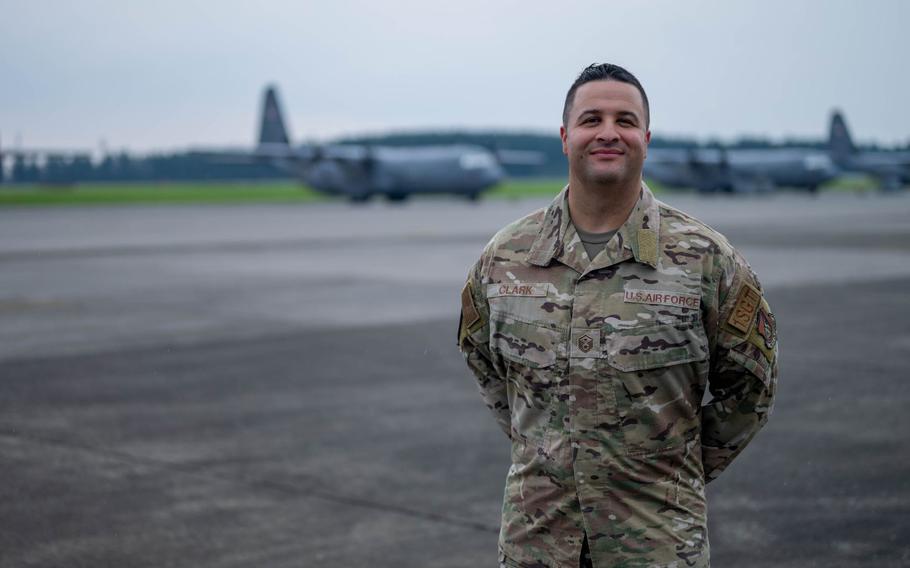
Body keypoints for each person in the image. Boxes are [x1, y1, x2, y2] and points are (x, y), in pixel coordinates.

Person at [457, 63, 778, 568]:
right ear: (565, 137)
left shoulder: (705, 258)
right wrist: (552, 450)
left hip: (656, 545)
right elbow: (487, 370)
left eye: (625, 120)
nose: (608, 132)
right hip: (536, 544)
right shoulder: (504, 258)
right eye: (592, 119)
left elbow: (751, 391)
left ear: (646, 138)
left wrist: (670, 471)